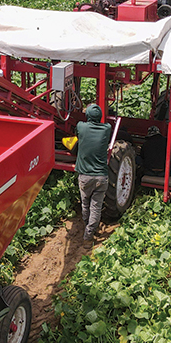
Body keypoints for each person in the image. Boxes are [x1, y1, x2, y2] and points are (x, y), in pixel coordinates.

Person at [74, 104, 112, 246]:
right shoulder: (106, 129)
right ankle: (89, 234)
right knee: (96, 206)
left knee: (85, 204)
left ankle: (87, 227)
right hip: (101, 177)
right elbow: (108, 124)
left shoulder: (81, 127)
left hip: (85, 176)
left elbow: (77, 124)